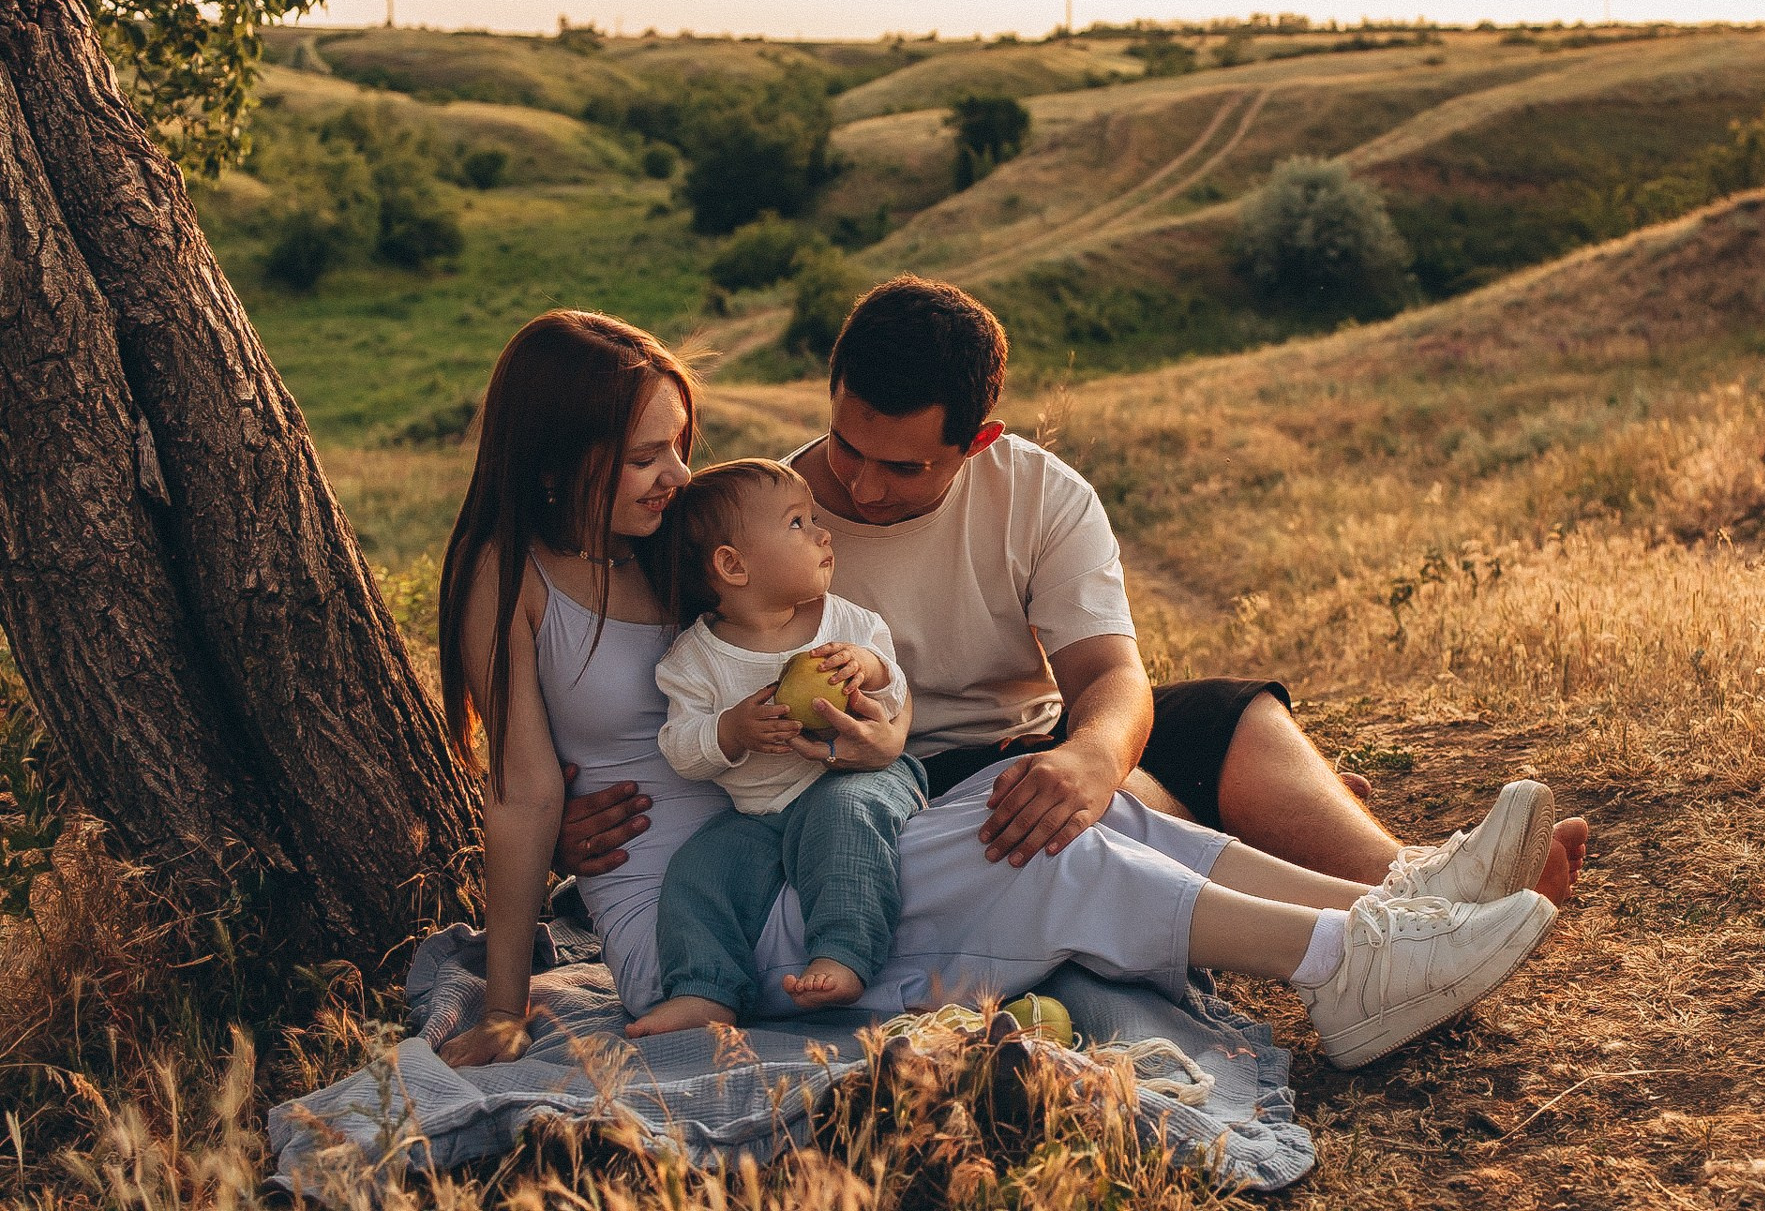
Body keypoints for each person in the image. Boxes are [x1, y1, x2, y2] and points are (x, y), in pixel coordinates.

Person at [434, 309, 1562, 1074]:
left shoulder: (685, 540)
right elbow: (525, 795)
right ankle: (1344, 963)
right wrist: (505, 1002)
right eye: (647, 457)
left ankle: (1389, 918)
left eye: (681, 447)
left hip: (804, 839)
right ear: (557, 459)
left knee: (1068, 801)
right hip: (703, 928)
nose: (678, 476)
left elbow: (797, 656)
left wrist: (873, 724)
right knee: (1038, 843)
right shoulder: (511, 573)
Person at [554, 277, 1587, 897]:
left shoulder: (1040, 493)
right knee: (1096, 800)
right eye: (846, 444)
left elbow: (1109, 676)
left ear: (979, 442)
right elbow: (668, 691)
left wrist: (1091, 755)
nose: (859, 487)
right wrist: (569, 819)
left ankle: (1415, 876)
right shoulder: (759, 524)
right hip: (897, 781)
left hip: (1032, 741)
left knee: (1232, 716)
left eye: (904, 466)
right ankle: (1386, 900)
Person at [634, 458, 925, 1032]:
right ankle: (705, 988)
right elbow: (681, 749)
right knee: (697, 872)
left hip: (856, 778)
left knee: (845, 822)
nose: (823, 533)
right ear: (732, 565)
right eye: (798, 522)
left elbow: (894, 696)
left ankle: (843, 952)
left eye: (814, 518)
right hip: (760, 812)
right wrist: (731, 730)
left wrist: (868, 669)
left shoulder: (846, 626)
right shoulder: (693, 661)